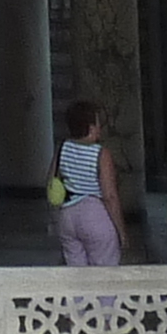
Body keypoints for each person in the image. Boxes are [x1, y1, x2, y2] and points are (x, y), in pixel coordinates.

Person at [52, 98, 126, 267]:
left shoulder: (62, 147)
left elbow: (52, 183)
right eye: (99, 123)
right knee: (104, 277)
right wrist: (121, 232)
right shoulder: (101, 153)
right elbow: (109, 196)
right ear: (91, 127)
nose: (101, 128)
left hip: (67, 215)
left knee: (76, 277)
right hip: (94, 214)